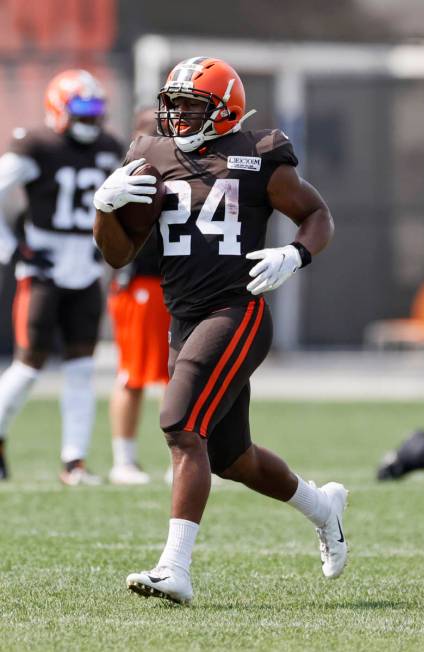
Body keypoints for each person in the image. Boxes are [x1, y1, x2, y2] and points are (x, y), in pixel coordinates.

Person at [93, 56, 348, 604]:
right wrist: (104, 211)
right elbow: (117, 256)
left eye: (190, 108)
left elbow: (317, 214)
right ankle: (323, 507)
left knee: (181, 425)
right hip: (184, 317)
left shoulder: (258, 156)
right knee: (233, 458)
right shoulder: (150, 156)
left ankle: (174, 569)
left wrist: (295, 254)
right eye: (173, 107)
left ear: (225, 110)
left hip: (237, 309)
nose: (177, 119)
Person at [0, 69, 123, 485]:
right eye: (81, 110)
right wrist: (11, 247)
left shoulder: (109, 147)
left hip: (87, 267)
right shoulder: (35, 145)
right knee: (29, 364)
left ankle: (75, 461)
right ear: (58, 110)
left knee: (81, 368)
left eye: (96, 110)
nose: (90, 120)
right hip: (44, 268)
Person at [108, 107, 170, 485]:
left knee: (176, 376)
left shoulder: (180, 168)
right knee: (135, 374)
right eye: (152, 131)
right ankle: (123, 459)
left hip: (174, 282)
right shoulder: (128, 173)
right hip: (142, 284)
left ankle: (178, 458)